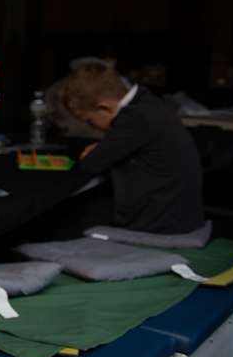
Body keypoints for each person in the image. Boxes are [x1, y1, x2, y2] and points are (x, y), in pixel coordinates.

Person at [63, 61, 205, 234]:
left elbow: (92, 163)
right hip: (176, 211)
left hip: (162, 220)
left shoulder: (135, 118)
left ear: (104, 106)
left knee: (71, 220)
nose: (92, 128)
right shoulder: (147, 103)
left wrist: (97, 150)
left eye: (89, 121)